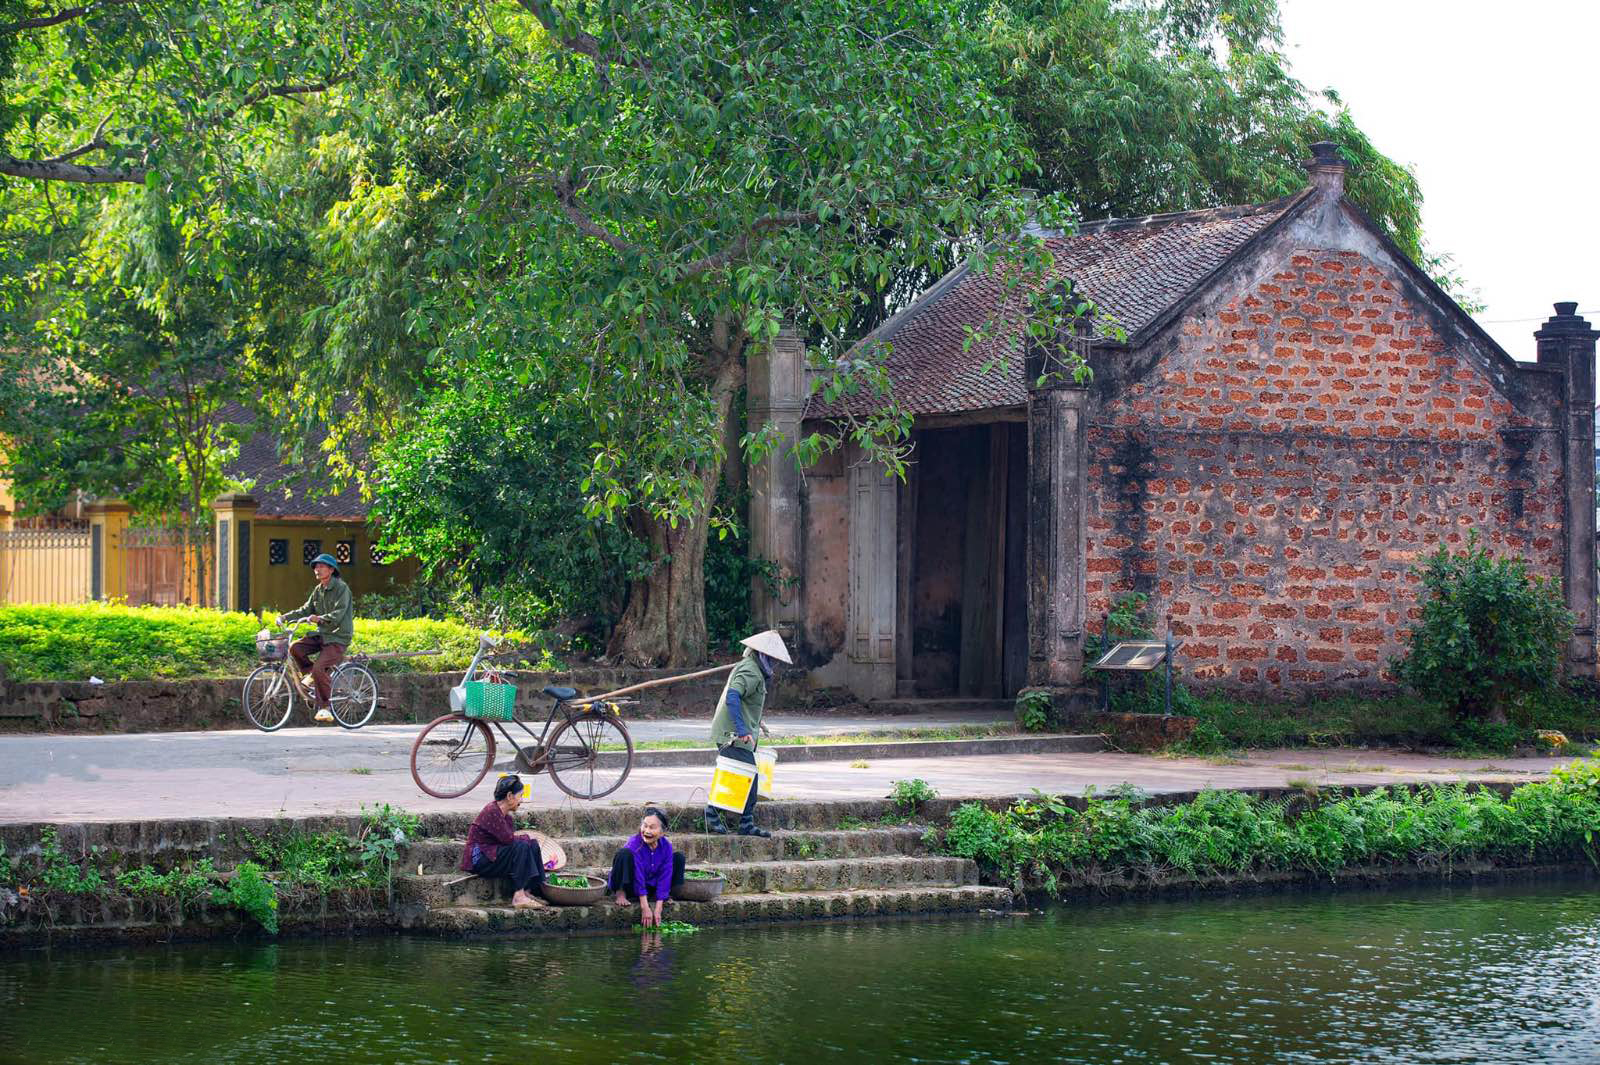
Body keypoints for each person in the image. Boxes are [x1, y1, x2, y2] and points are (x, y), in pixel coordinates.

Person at [704, 630, 791, 837]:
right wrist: (742, 729)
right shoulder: (751, 671)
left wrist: (757, 722)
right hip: (733, 735)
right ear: (763, 656)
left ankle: (740, 822)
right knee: (747, 777)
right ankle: (715, 814)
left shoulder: (751, 668)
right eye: (772, 660)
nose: (775, 664)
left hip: (735, 733)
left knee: (740, 776)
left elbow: (744, 701)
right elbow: (733, 697)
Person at [276, 552, 353, 723]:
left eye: (321, 566)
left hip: (338, 637)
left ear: (331, 570)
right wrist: (284, 617)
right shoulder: (318, 590)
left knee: (320, 668)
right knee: (295, 647)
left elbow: (339, 613)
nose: (317, 569)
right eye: (315, 567)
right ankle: (311, 677)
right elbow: (305, 609)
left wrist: (321, 618)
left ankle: (325, 707)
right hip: (322, 635)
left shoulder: (342, 588)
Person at [459, 774, 549, 908]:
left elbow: (509, 841)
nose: (521, 800)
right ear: (509, 796)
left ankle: (530, 890)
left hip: (493, 854)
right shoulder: (492, 811)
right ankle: (518, 897)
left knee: (533, 844)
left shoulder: (506, 818)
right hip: (480, 859)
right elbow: (509, 840)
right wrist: (526, 838)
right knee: (522, 846)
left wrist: (529, 840)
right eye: (520, 795)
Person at [607, 806, 686, 928]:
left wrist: (658, 907)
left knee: (679, 857)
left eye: (652, 827)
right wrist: (645, 907)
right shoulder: (634, 843)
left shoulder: (666, 846)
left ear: (662, 832)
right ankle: (620, 892)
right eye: (645, 826)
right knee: (623, 854)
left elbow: (665, 875)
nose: (647, 831)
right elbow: (638, 876)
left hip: (651, 885)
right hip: (632, 886)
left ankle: (664, 895)